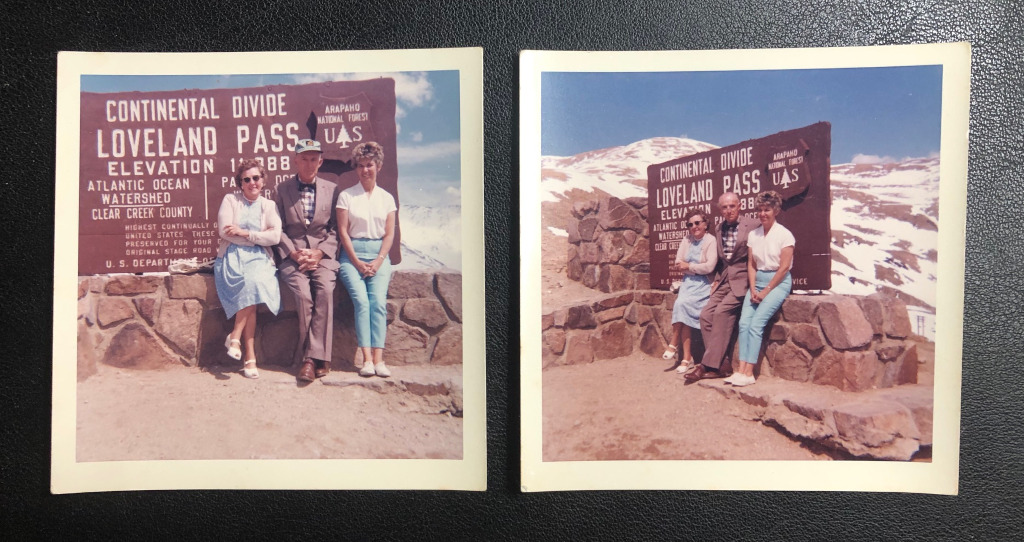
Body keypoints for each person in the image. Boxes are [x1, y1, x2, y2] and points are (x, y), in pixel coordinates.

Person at [274, 139, 342, 383]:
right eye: (304, 158)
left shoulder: (333, 190)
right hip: (293, 257)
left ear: (320, 161)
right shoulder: (282, 190)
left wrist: (320, 253)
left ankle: (310, 360)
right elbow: (277, 228)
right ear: (295, 160)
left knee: (324, 290)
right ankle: (317, 358)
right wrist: (294, 253)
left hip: (322, 257)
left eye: (314, 159)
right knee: (303, 295)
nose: (309, 163)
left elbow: (337, 228)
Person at [214, 159, 282, 379]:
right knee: (249, 286)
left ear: (263, 181)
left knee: (254, 282)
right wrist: (256, 240)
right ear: (240, 183)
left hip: (260, 259)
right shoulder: (230, 200)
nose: (252, 182)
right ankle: (249, 356)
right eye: (247, 179)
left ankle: (235, 337)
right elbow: (225, 232)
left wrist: (245, 234)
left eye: (256, 178)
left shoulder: (269, 206)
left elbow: (275, 236)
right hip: (231, 256)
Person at [336, 141, 398, 378]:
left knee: (378, 304)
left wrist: (379, 260)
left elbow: (390, 233)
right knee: (361, 302)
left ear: (378, 166)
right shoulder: (346, 196)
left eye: (369, 164)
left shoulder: (387, 198)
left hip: (379, 257)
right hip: (351, 258)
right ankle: (367, 360)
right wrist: (357, 262)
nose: (365, 170)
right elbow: (343, 232)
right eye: (360, 165)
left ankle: (380, 360)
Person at [686, 192, 760, 382]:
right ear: (720, 210)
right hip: (725, 280)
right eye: (725, 207)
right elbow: (723, 261)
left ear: (740, 206)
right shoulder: (719, 228)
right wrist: (717, 280)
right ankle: (724, 363)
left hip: (744, 282)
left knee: (721, 313)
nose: (729, 210)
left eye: (732, 206)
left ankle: (705, 365)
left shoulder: (753, 225)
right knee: (705, 315)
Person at [725, 191, 794, 386]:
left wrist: (765, 291)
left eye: (767, 210)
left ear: (776, 211)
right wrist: (754, 288)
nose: (763, 214)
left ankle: (749, 374)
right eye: (760, 210)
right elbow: (751, 265)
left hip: (778, 283)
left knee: (756, 325)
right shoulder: (754, 235)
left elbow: (784, 268)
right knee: (744, 323)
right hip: (757, 283)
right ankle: (740, 371)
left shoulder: (785, 235)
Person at [663, 209, 718, 374]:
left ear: (705, 224)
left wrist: (689, 267)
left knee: (683, 304)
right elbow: (678, 261)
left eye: (697, 223)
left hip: (704, 284)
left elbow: (710, 266)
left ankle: (673, 344)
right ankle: (686, 358)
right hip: (688, 283)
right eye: (690, 224)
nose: (694, 227)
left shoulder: (711, 241)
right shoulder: (687, 240)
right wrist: (691, 268)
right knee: (682, 306)